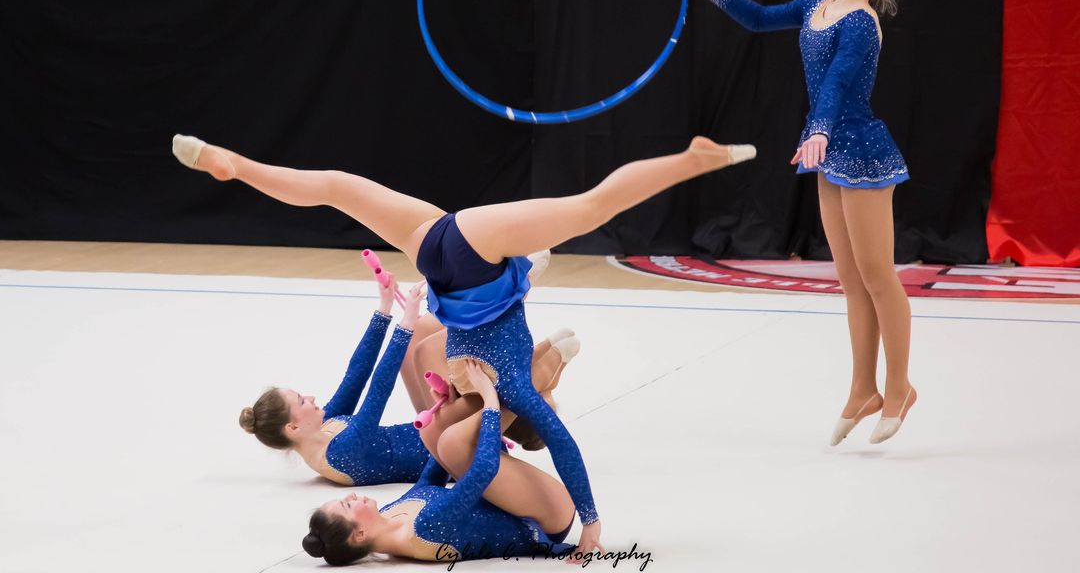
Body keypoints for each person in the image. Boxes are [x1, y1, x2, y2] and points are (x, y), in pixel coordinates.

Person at [173, 131, 755, 553]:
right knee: (334, 186)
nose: (439, 408)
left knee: (590, 207)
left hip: (472, 253)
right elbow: (497, 451)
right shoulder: (465, 399)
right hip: (436, 255)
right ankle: (238, 165)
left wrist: (592, 522)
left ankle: (692, 160)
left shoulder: (513, 391)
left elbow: (560, 447)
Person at [677, 0, 919, 444]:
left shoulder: (861, 22)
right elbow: (761, 18)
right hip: (827, 150)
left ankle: (899, 387)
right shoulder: (815, 4)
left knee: (878, 277)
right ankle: (863, 389)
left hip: (862, 150)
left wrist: (819, 129)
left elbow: (838, 81)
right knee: (851, 280)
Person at [239, 277, 579, 483]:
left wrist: (384, 309)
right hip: (454, 448)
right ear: (293, 428)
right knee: (445, 351)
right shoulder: (338, 454)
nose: (312, 398)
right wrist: (404, 323)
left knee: (425, 342)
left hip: (437, 426)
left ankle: (533, 345)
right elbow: (378, 391)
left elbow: (357, 374)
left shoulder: (323, 429)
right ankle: (515, 300)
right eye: (301, 401)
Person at [301, 361, 578, 566]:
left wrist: (446, 416)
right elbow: (483, 471)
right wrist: (490, 404)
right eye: (347, 506)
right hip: (543, 519)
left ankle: (536, 386)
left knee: (436, 432)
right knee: (454, 440)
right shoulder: (423, 530)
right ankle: (535, 380)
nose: (350, 497)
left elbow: (430, 481)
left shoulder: (388, 515)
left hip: (511, 502)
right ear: (360, 534)